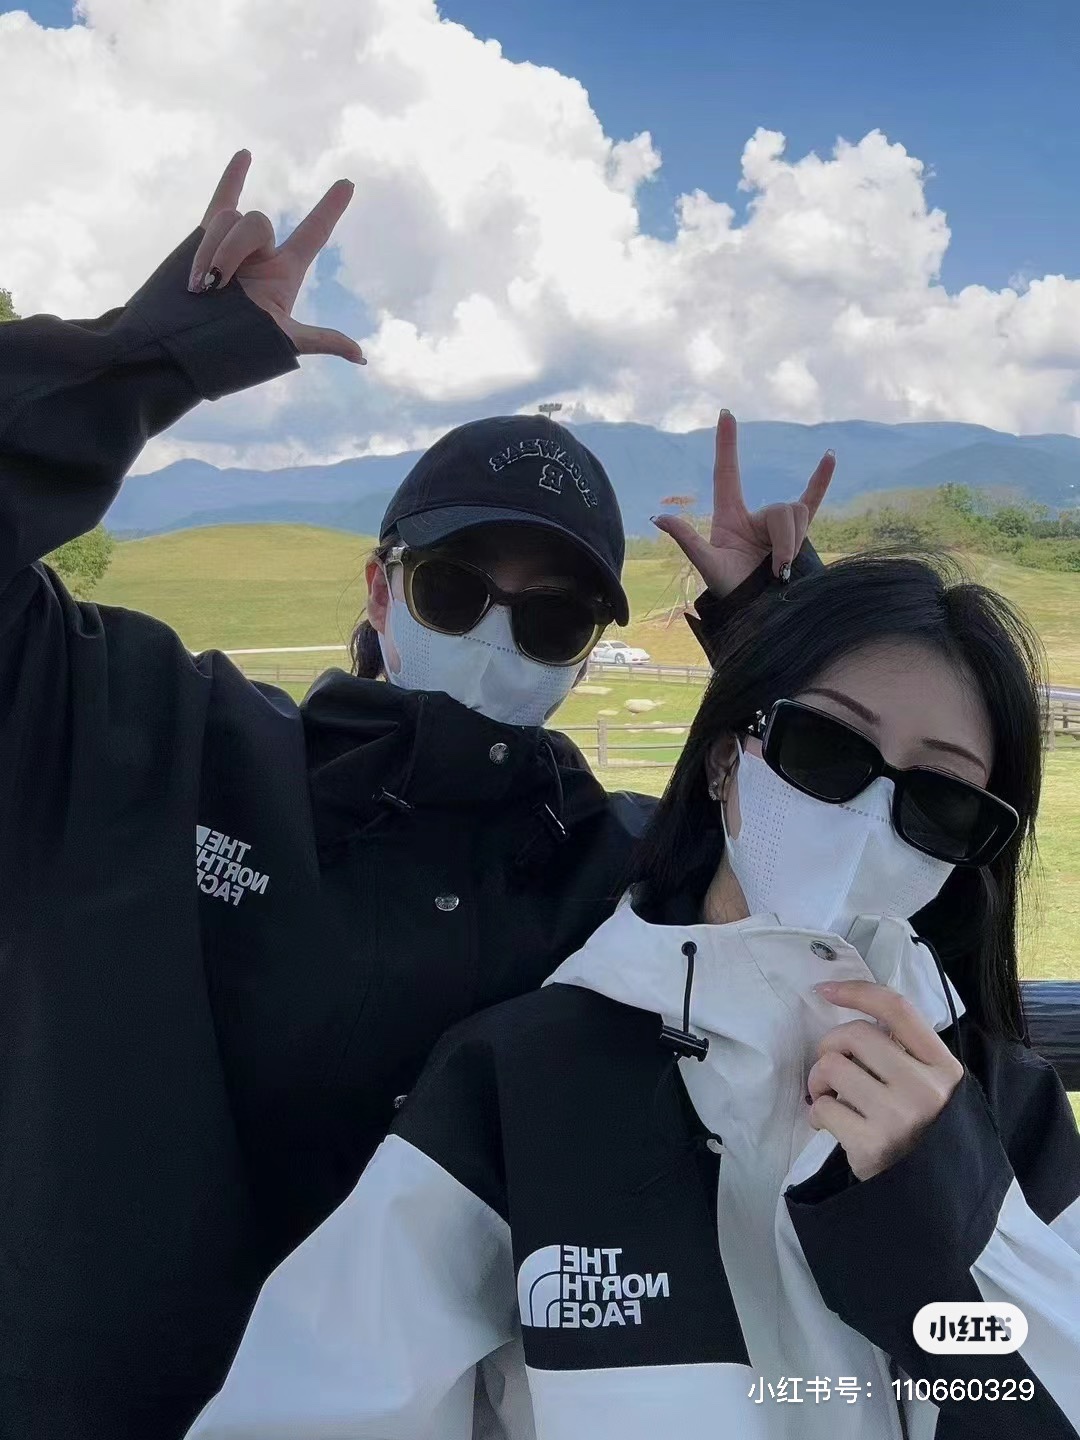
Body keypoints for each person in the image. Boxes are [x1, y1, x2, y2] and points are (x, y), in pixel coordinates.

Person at [0, 150, 834, 1439]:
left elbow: (861, 894)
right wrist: (147, 359)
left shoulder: (620, 868)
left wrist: (786, 648)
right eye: (454, 590)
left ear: (583, 660)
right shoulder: (148, 736)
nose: (499, 637)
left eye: (551, 620)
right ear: (380, 590)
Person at [187, 553, 1080, 1440]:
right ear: (727, 760)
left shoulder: (1008, 1106)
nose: (868, 816)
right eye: (825, 748)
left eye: (941, 802)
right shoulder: (519, 1082)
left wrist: (957, 1219)